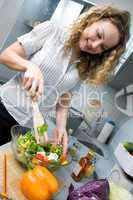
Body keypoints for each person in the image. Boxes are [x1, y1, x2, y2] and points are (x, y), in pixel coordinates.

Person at [0, 5, 130, 156]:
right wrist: (29, 66)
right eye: (99, 35)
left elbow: (65, 97)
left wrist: (61, 127)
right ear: (92, 20)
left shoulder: (85, 65)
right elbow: (6, 55)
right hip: (4, 109)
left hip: (28, 129)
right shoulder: (52, 31)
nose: (94, 45)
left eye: (103, 47)